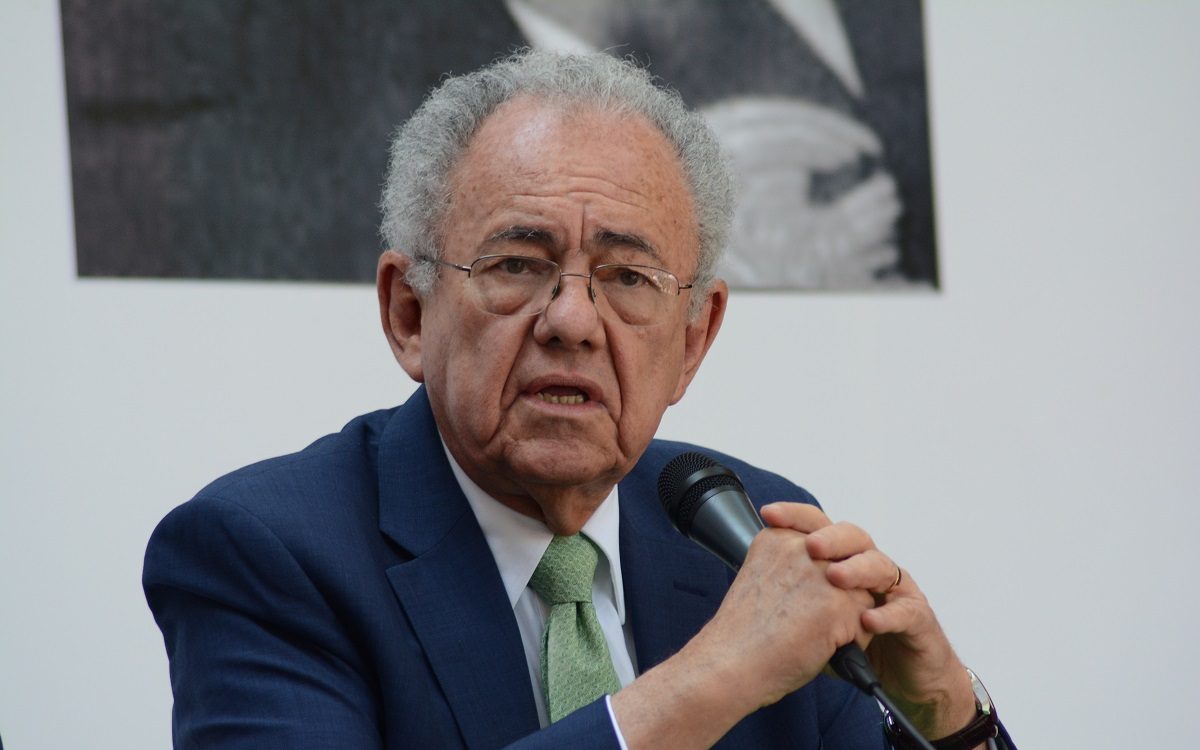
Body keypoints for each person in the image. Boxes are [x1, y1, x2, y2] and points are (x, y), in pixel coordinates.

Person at [144, 50, 1013, 749]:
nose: (571, 321)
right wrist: (716, 677)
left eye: (629, 277)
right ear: (409, 312)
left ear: (693, 340)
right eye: (517, 264)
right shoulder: (267, 553)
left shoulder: (750, 539)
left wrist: (949, 716)